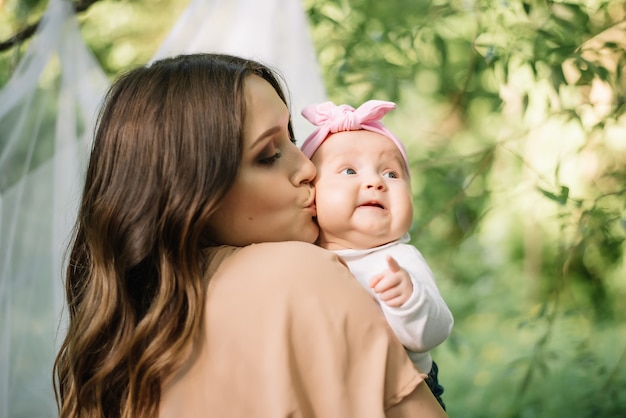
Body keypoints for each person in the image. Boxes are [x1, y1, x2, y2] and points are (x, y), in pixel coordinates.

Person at [52, 53, 448, 417]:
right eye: (268, 155)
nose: (309, 169)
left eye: (291, 139)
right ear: (192, 194)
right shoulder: (300, 273)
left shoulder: (128, 348)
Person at [300, 100, 454, 410]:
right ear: (311, 196)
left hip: (405, 395)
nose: (375, 182)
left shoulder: (399, 261)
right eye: (349, 170)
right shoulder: (302, 253)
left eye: (392, 174)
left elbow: (435, 333)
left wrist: (408, 299)